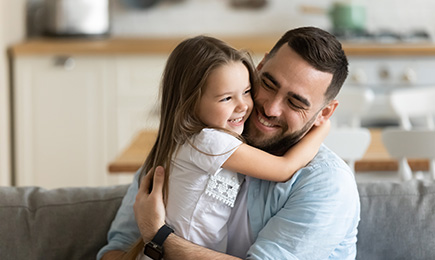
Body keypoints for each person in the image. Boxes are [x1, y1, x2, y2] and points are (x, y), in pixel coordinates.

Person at [98, 26, 360, 260]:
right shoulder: (197, 139)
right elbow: (118, 248)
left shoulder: (327, 183)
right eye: (267, 84)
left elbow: (284, 168)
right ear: (258, 68)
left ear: (324, 113)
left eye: (294, 102)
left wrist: (158, 235)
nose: (270, 108)